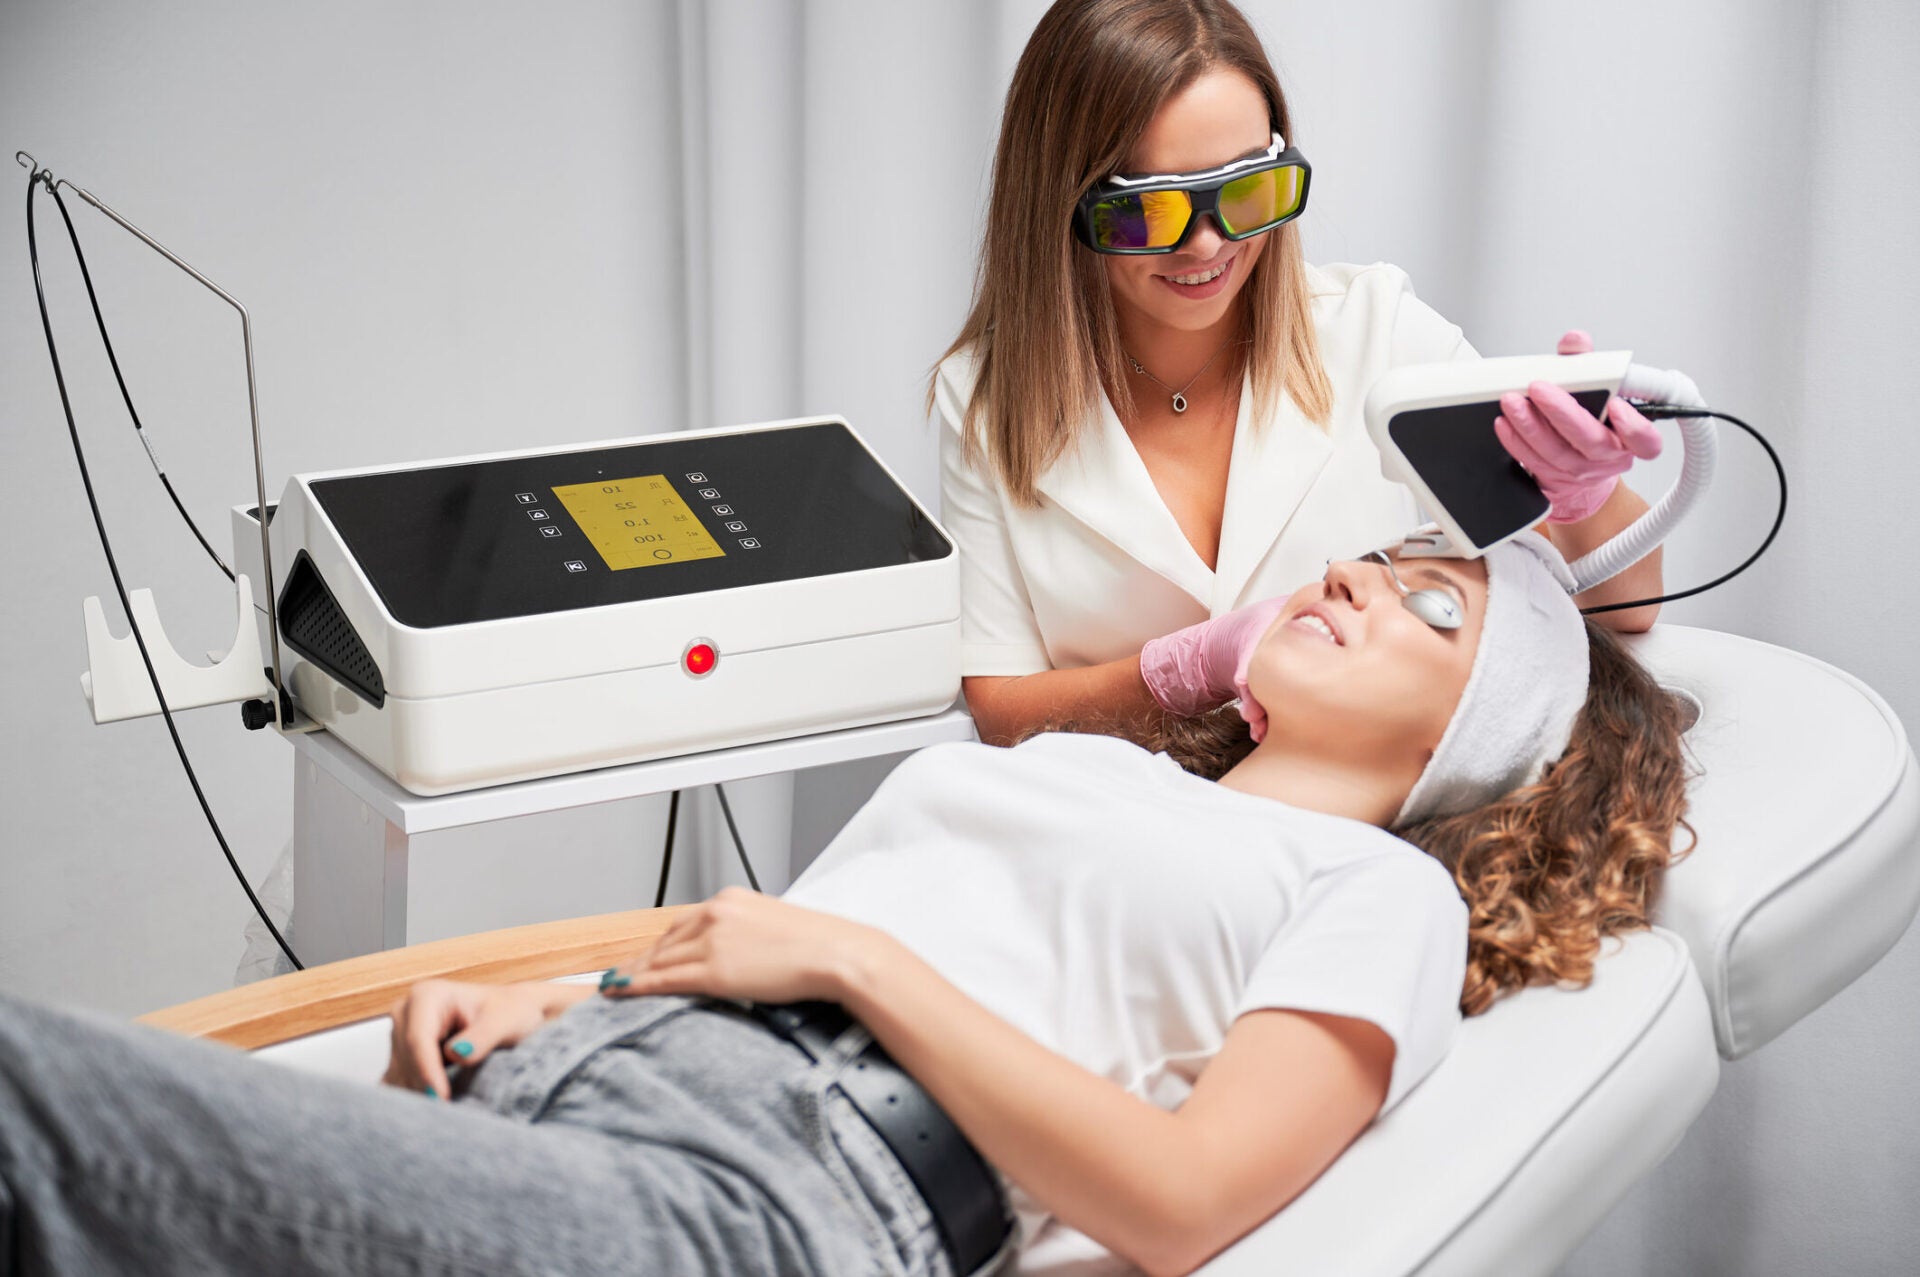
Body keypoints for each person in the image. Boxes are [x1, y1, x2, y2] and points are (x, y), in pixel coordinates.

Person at [0, 534, 1693, 1277]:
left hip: (777, 1200)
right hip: (586, 1092)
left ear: (1491, 751)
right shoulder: (1090, 773)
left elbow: (1179, 1204)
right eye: (1367, 559)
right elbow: (807, 947)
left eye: (1422, 608)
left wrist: (848, 958)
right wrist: (574, 1002)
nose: (1347, 579)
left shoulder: (1371, 891)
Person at [933, 0, 1678, 749]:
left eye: (1248, 192)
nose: (1206, 246)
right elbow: (1002, 708)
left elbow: (1626, 608)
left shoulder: (1376, 331)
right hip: (1129, 825)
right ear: (1061, 203)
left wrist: (1585, 498)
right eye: (1149, 212)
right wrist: (1183, 670)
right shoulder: (989, 402)